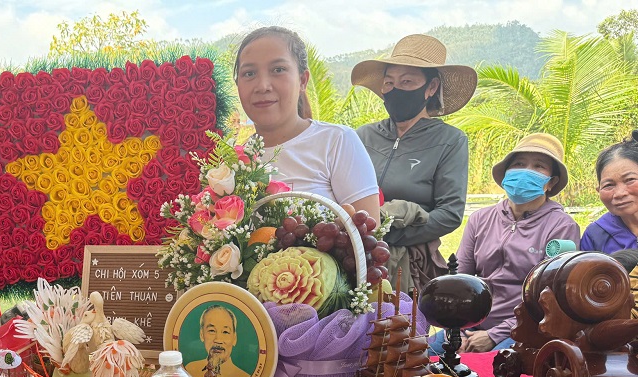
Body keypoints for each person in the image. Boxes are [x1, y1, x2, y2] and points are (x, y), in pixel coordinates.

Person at [352, 34, 476, 294]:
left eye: (407, 81)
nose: (395, 89)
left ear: (431, 87)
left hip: (409, 267)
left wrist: (386, 235)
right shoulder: (363, 136)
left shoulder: (449, 140)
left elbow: (450, 213)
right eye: (389, 82)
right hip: (353, 257)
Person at [449, 134, 580, 353]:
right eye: (519, 164)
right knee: (421, 356)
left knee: (492, 367)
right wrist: (458, 330)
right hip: (470, 324)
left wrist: (494, 335)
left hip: (525, 329)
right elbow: (459, 279)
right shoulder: (480, 219)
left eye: (539, 166)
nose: (526, 171)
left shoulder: (562, 226)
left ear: (551, 182)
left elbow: (548, 297)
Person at [233, 27, 380, 221]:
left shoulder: (336, 141)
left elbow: (369, 232)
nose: (262, 86)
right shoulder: (233, 164)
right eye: (249, 73)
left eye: (278, 70)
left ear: (303, 80)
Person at [581, 129, 638, 254]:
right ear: (598, 190)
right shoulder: (595, 236)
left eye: (630, 180)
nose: (619, 193)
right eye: (608, 185)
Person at [185, 305, 252, 377]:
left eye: (225, 332)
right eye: (212, 330)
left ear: (234, 338)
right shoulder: (189, 371)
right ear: (202, 335)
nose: (218, 340)